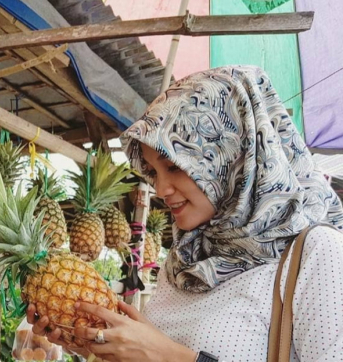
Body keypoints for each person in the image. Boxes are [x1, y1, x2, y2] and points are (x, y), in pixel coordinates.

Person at [27, 66, 343, 361]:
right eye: (153, 170)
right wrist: (98, 344)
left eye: (175, 167)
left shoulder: (316, 253)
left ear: (229, 156)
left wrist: (168, 356)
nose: (161, 188)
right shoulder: (185, 257)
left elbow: (163, 353)